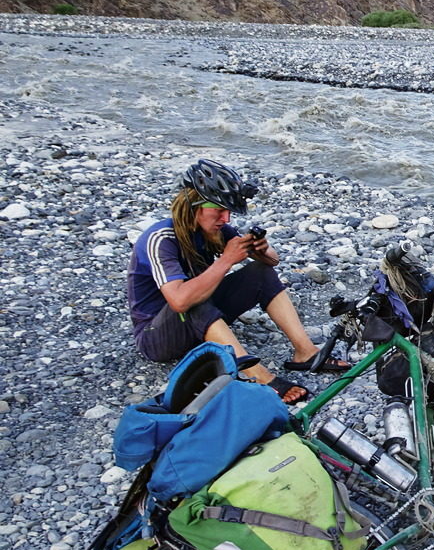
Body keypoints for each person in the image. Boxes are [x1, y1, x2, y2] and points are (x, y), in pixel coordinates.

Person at [126, 159, 346, 404]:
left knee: (260, 272)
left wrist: (261, 250)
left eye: (228, 211)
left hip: (200, 321)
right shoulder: (160, 239)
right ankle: (259, 375)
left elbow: (272, 262)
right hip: (157, 336)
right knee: (192, 300)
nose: (226, 218)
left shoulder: (212, 230)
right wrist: (226, 260)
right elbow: (178, 301)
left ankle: (305, 352)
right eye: (219, 210)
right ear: (193, 204)